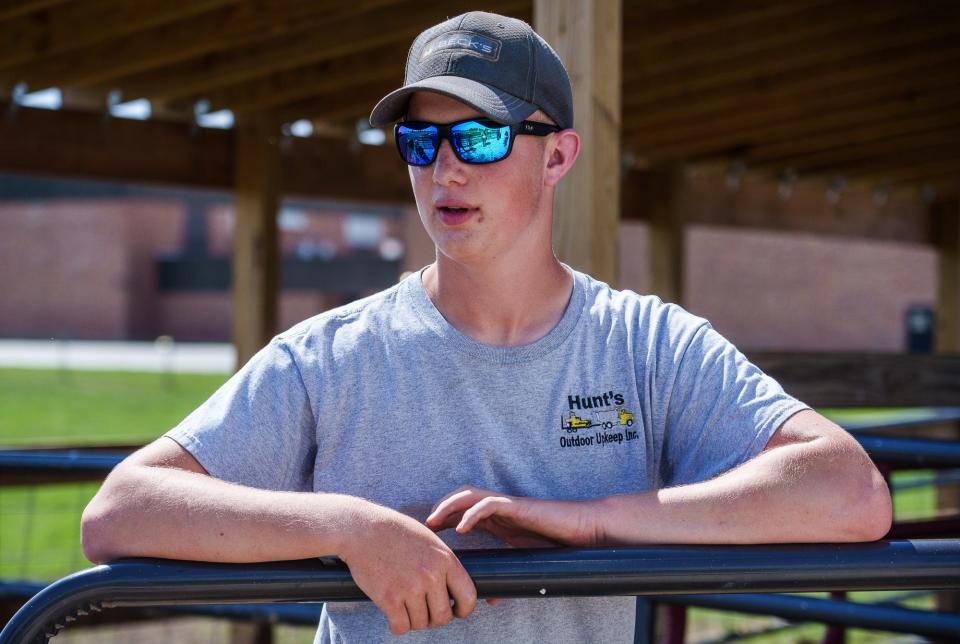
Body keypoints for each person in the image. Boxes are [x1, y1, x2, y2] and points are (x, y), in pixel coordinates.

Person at [81, 11, 892, 643]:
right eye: (419, 139)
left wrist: (596, 520)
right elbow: (119, 512)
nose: (446, 168)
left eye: (480, 135)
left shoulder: (648, 345)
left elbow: (849, 495)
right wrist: (348, 528)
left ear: (559, 154)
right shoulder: (329, 357)